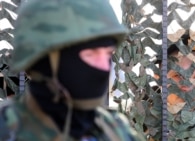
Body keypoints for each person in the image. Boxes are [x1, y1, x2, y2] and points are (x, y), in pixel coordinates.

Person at [0, 0, 143, 140]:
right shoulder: (7, 129)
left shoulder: (114, 127)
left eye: (107, 54)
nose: (105, 67)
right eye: (90, 54)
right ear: (43, 60)